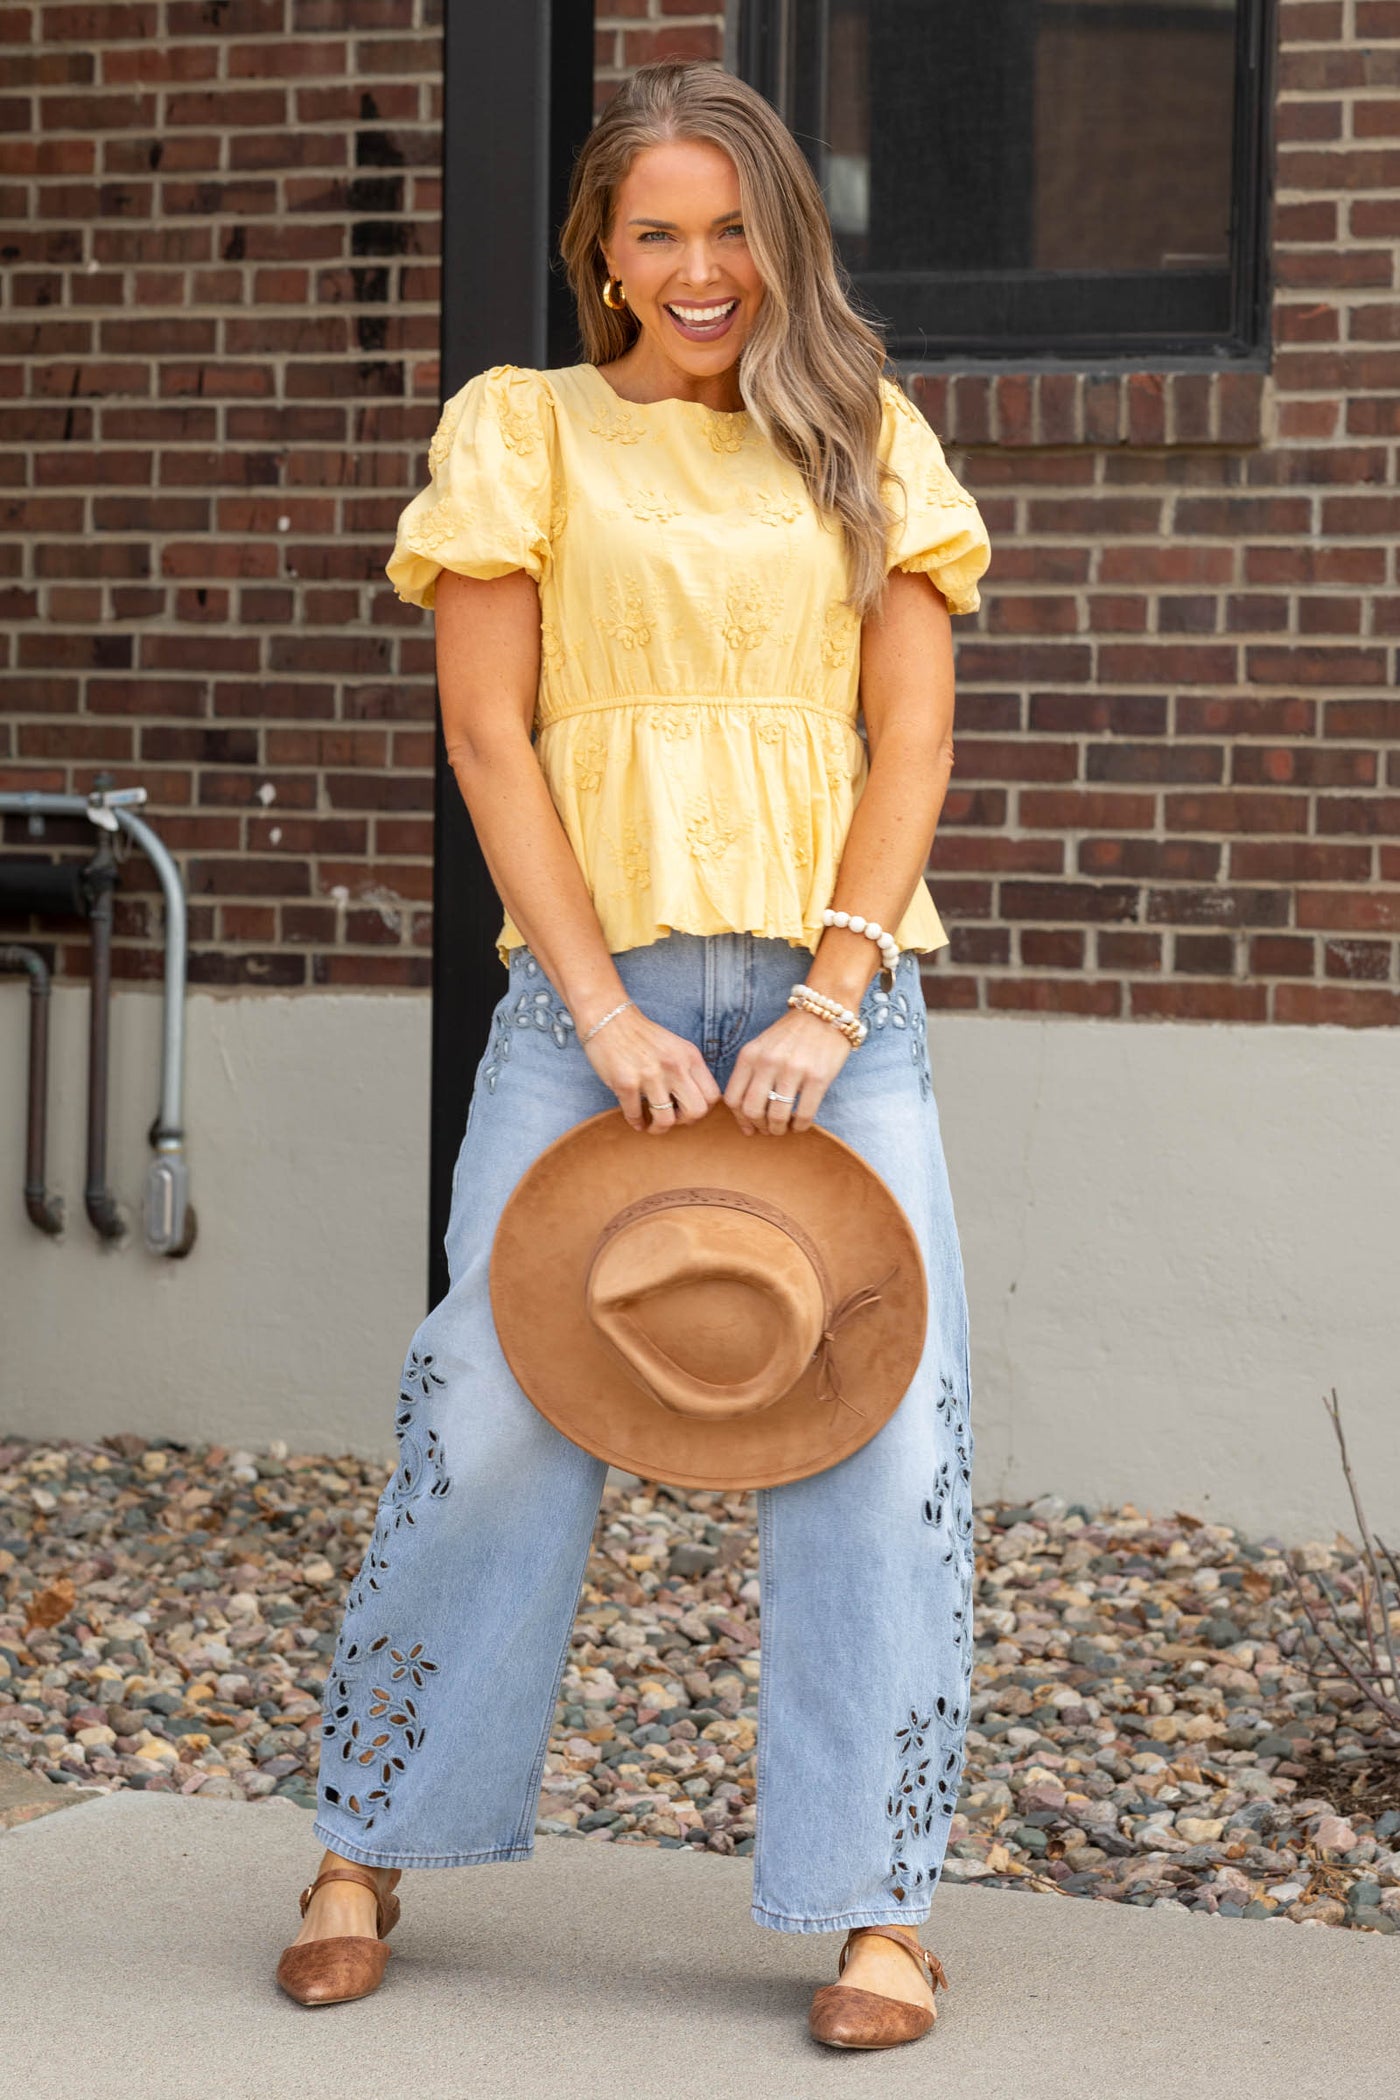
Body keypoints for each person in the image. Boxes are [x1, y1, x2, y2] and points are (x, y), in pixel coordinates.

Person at [276, 59, 991, 2051]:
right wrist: (597, 1014)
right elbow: (493, 736)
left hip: (831, 1026)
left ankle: (881, 1908)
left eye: (731, 229)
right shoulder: (523, 437)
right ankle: (360, 1842)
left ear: (784, 240)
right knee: (483, 1415)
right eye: (656, 230)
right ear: (600, 246)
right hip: (583, 1018)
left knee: (883, 1438)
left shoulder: (866, 437)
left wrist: (831, 993)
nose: (697, 269)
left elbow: (908, 742)